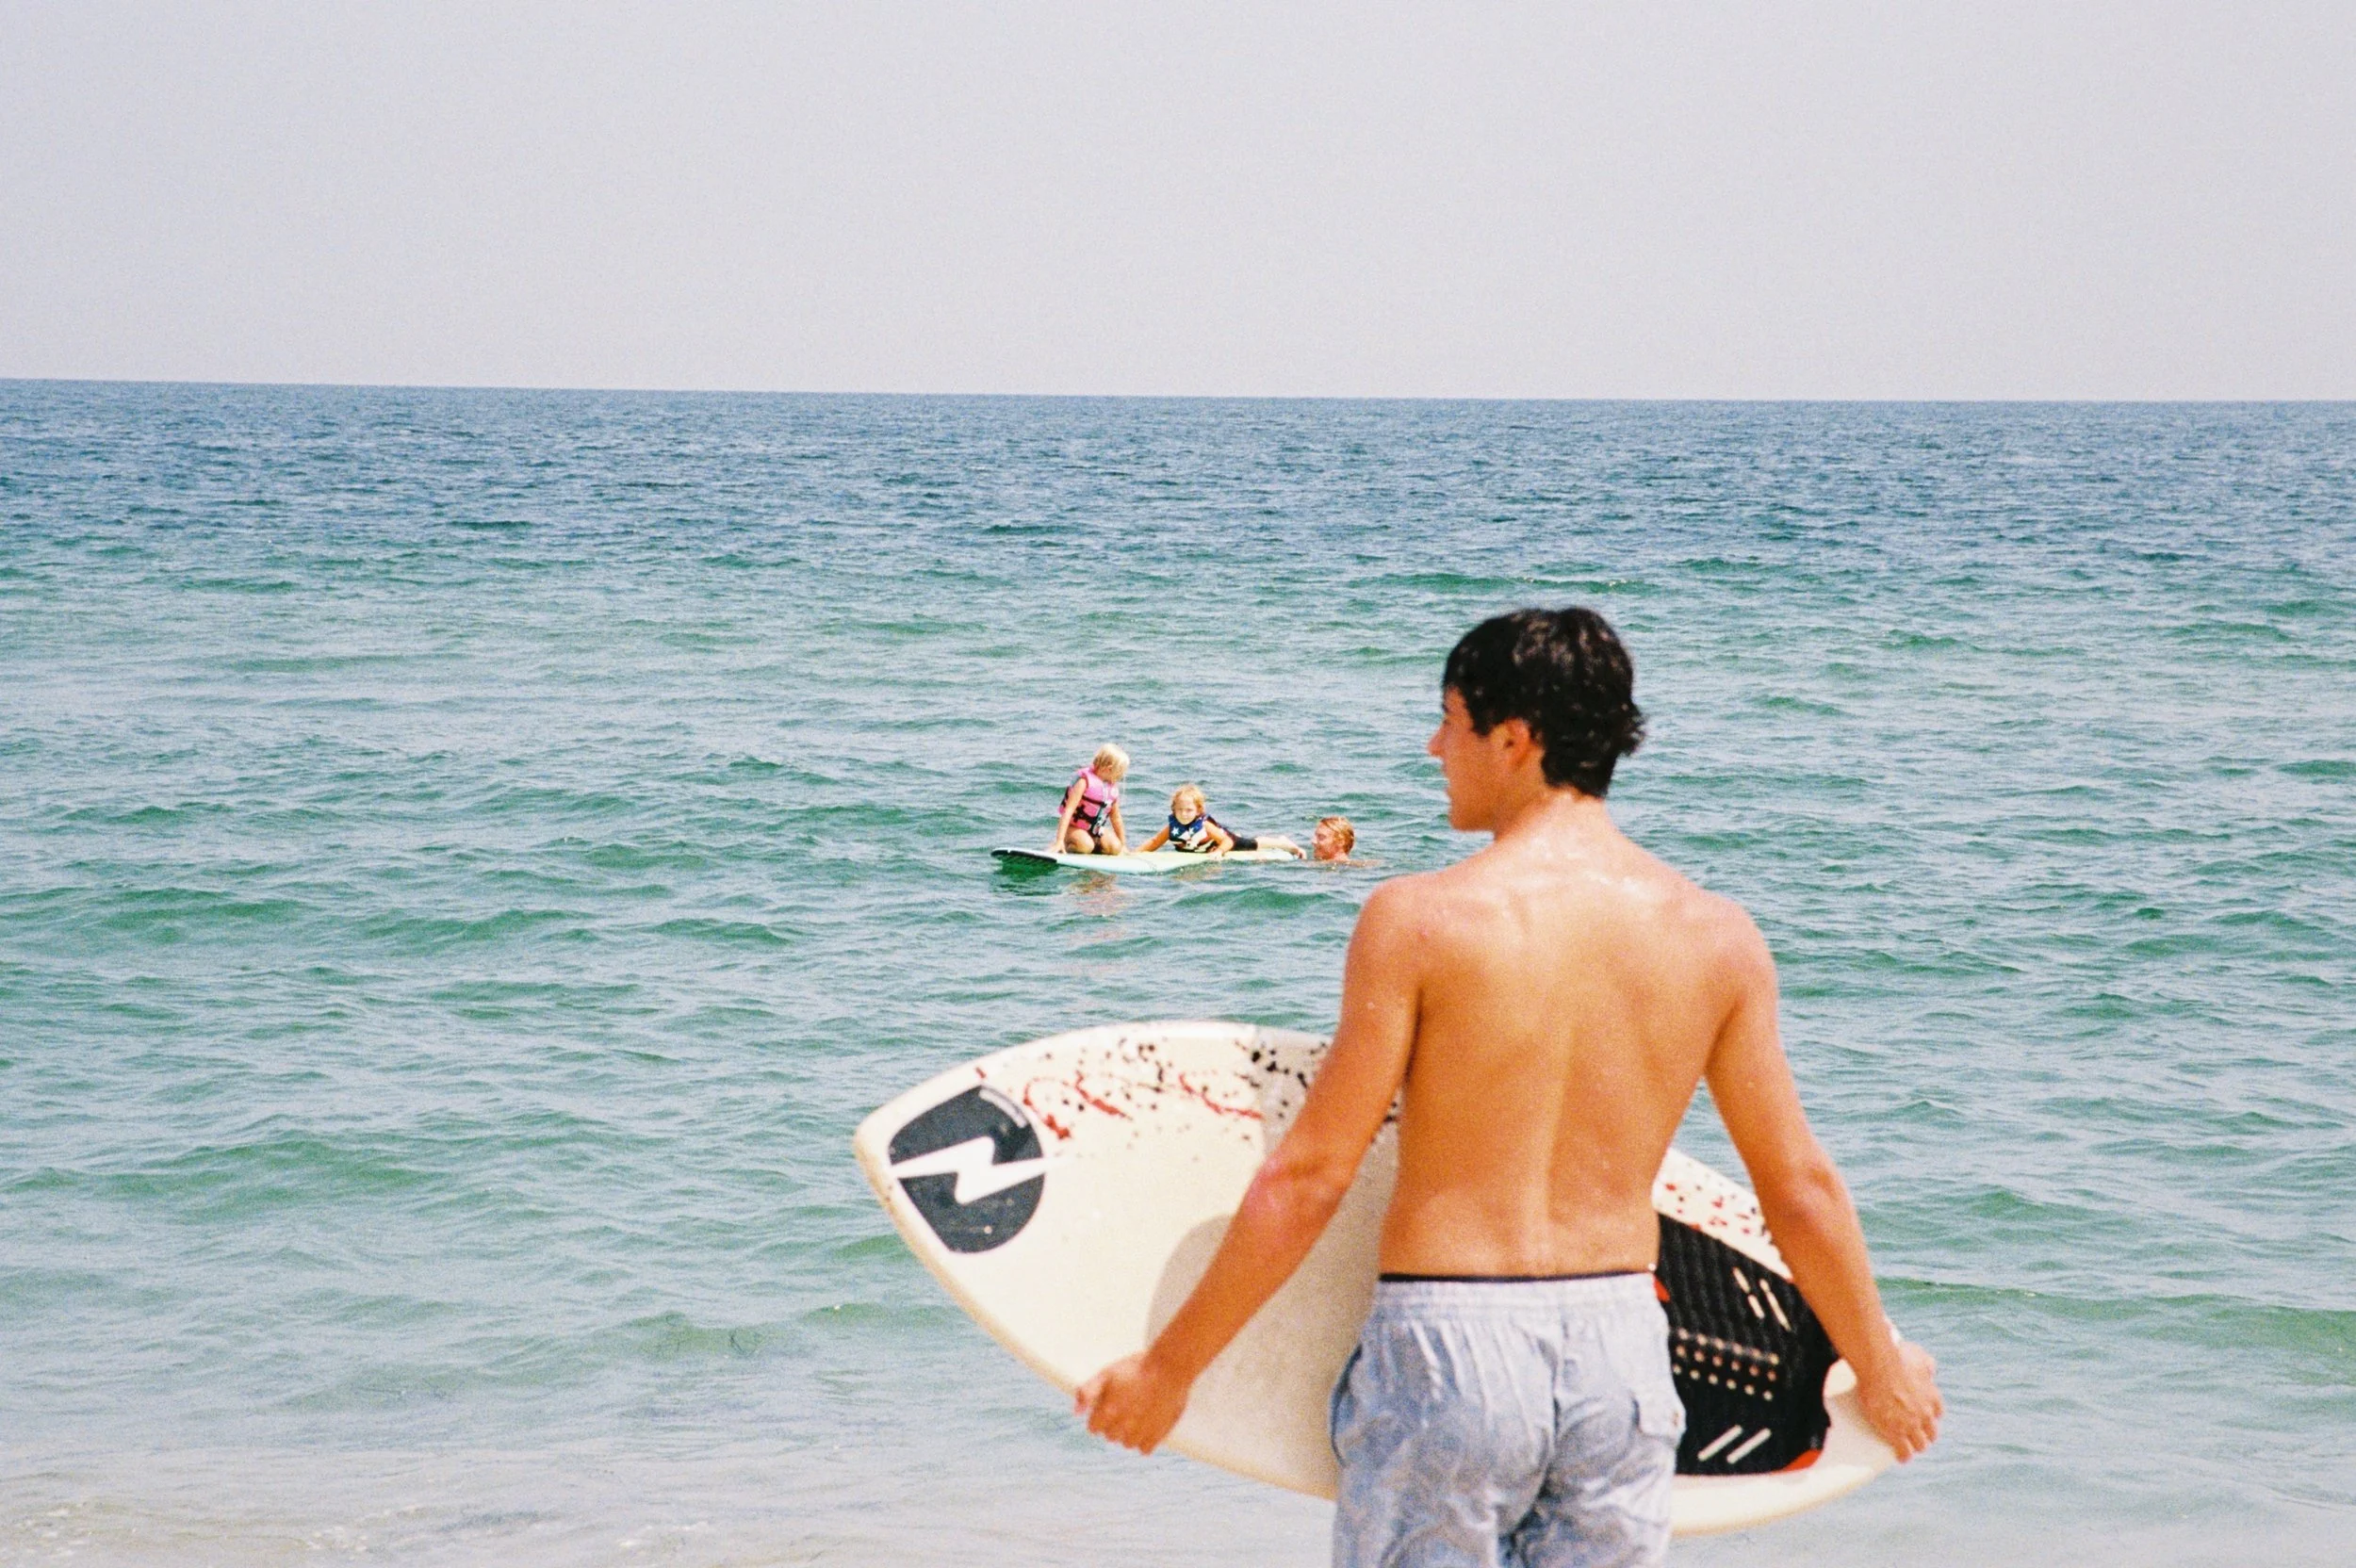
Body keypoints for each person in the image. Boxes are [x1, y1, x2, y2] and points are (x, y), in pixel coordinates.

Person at [1075, 608, 1941, 1568]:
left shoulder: (1417, 921)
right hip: (1621, 1349)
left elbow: (1311, 1174)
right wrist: (1879, 1362)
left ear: (1514, 739)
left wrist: (1170, 1368)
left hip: (1447, 1350)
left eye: (1449, 719)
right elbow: (1797, 1187)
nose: (1434, 744)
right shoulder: (1715, 936)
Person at [1137, 783, 1305, 858]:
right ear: (1173, 810)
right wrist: (1134, 854)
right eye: (1180, 810)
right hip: (1200, 850)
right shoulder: (1172, 828)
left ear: (1198, 811)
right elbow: (1154, 842)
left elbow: (1226, 840)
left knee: (1251, 843)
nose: (1184, 814)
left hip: (1225, 842)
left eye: (1189, 810)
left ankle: (1284, 843)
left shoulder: (1204, 825)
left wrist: (1220, 851)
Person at [1051, 744, 1131, 855]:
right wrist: (1059, 841)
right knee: (1085, 845)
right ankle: (1065, 845)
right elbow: (1068, 811)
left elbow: (1116, 819)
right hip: (1073, 828)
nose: (1121, 775)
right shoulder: (1084, 782)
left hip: (1095, 831)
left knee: (1115, 847)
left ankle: (1093, 847)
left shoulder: (1111, 788)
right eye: (1120, 772)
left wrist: (1123, 845)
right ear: (1109, 769)